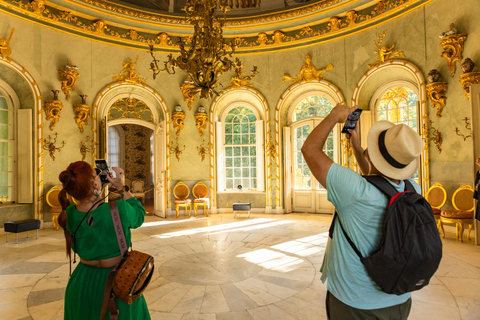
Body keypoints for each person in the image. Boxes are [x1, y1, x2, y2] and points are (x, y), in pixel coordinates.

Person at [301, 103, 422, 319]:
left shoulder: (354, 190)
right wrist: (356, 147)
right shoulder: (412, 189)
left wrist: (334, 115)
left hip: (356, 302)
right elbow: (379, 181)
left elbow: (309, 149)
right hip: (400, 298)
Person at [57, 161, 150, 319]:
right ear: (94, 184)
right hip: (119, 282)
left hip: (82, 283)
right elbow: (139, 215)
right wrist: (121, 187)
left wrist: (97, 190)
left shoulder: (68, 213)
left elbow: (89, 209)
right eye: (96, 176)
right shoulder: (119, 208)